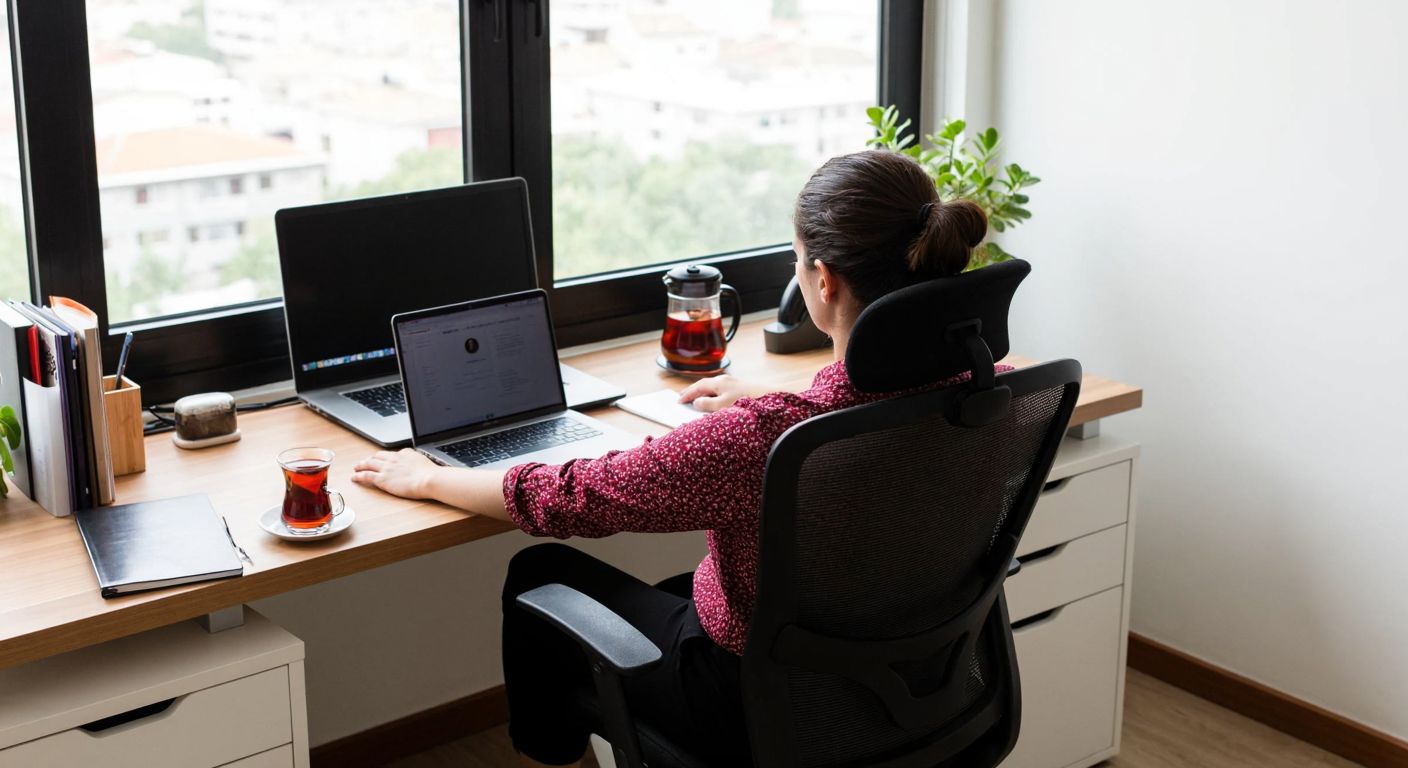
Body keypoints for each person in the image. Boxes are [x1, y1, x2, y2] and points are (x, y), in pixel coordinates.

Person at [352, 150, 990, 767]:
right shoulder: (994, 390)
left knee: (537, 574)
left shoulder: (759, 440)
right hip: (910, 684)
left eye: (797, 263)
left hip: (747, 707)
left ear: (822, 280)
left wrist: (434, 478)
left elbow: (570, 498)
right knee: (666, 592)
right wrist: (777, 396)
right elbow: (864, 404)